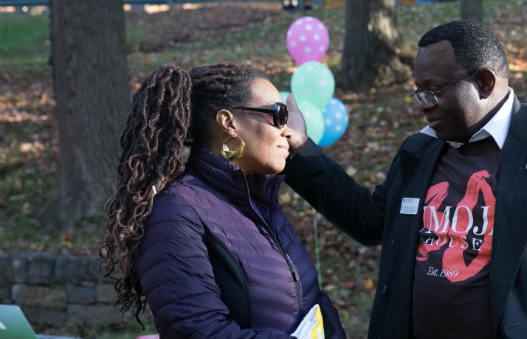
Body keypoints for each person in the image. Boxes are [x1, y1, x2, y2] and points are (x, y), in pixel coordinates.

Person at [283, 20, 527, 339]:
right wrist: (300, 148)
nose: (424, 106)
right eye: (418, 93)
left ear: (485, 82)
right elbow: (368, 221)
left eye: (433, 91)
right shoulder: (420, 150)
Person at [100, 63, 345, 339]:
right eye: (278, 115)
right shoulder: (174, 214)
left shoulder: (262, 200)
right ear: (228, 122)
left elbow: (310, 302)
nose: (287, 130)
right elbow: (199, 331)